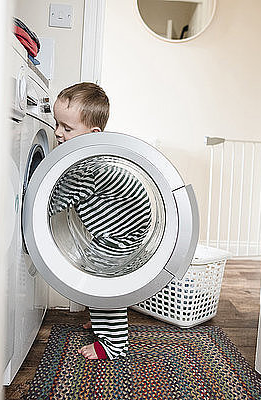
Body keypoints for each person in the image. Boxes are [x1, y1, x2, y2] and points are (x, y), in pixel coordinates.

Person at [50, 82, 151, 360]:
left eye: (67, 129)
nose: (58, 133)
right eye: (56, 123)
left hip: (118, 240)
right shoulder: (97, 155)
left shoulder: (89, 166)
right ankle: (100, 322)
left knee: (105, 288)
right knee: (98, 281)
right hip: (123, 233)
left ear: (93, 134)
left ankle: (113, 345)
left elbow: (53, 201)